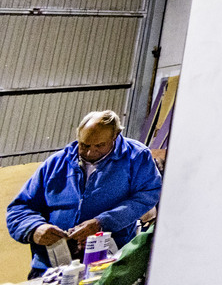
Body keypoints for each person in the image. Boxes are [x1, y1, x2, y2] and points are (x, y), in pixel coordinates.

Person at [7, 110, 162, 278]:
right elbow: (19, 209)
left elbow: (148, 195)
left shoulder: (136, 157)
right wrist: (34, 229)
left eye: (99, 146)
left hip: (106, 269)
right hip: (50, 269)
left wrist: (102, 222)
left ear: (115, 136)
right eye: (85, 145)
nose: (90, 152)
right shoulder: (55, 164)